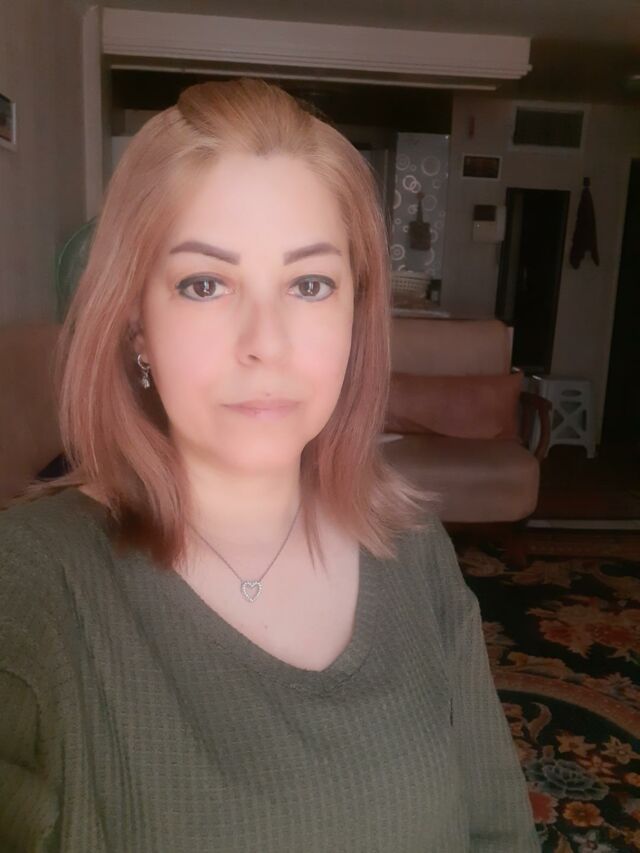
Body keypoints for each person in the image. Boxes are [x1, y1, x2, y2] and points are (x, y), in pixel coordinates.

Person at [0, 78, 540, 852]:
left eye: (309, 284)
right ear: (136, 323)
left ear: (355, 315)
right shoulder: (31, 585)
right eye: (205, 284)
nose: (266, 342)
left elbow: (499, 834)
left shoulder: (417, 549)